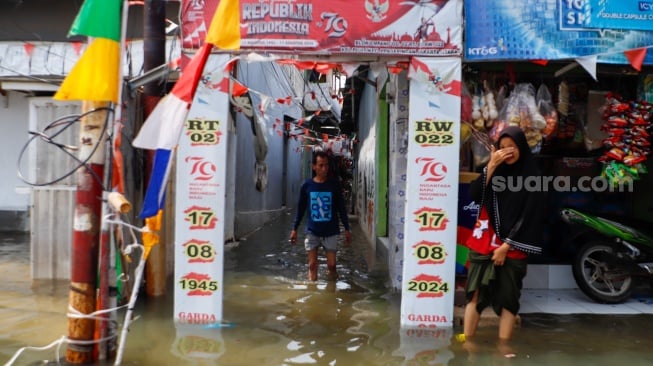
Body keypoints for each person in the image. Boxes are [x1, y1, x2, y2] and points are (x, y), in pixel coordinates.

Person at [464, 126, 545, 341]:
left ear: (522, 148)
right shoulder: (493, 169)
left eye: (513, 147)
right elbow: (474, 195)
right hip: (483, 242)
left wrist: (506, 246)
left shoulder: (533, 176)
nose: (507, 151)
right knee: (474, 295)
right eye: (502, 147)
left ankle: (503, 351)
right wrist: (490, 165)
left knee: (509, 300)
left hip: (512, 247)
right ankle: (468, 346)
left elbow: (530, 216)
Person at [290, 150, 352, 281]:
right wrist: (294, 229)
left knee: (332, 265)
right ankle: (312, 292)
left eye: (326, 165)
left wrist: (347, 228)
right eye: (321, 165)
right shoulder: (307, 186)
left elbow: (341, 208)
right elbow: (301, 209)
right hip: (312, 231)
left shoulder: (334, 185)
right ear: (314, 166)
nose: (324, 168)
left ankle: (331, 290)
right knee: (312, 265)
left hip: (331, 231)